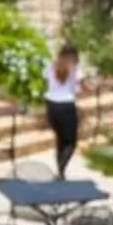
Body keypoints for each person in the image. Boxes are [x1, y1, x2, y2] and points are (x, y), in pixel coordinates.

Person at [45, 44, 82, 176]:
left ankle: (60, 171)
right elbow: (84, 87)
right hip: (66, 106)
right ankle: (61, 169)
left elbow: (48, 82)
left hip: (51, 105)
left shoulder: (50, 66)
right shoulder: (75, 69)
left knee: (60, 140)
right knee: (71, 142)